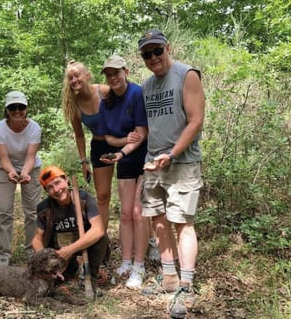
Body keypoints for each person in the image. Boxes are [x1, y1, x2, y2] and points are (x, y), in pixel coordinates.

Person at [138, 29, 205, 318]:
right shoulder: (145, 86)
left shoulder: (187, 75)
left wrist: (172, 154)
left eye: (157, 51)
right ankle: (168, 279)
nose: (153, 58)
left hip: (182, 162)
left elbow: (196, 121)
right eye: (146, 54)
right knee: (159, 220)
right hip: (154, 163)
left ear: (167, 48)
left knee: (183, 223)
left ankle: (186, 284)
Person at [97, 55, 150, 288]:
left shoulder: (137, 93)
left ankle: (140, 265)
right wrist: (120, 146)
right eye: (108, 74)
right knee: (126, 213)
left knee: (139, 213)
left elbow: (142, 133)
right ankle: (126, 261)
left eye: (116, 72)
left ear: (125, 71)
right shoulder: (106, 101)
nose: (113, 77)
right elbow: (106, 137)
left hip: (145, 158)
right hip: (124, 158)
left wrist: (121, 152)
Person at [32, 166, 107, 295]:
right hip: (59, 253)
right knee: (52, 283)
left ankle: (91, 277)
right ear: (46, 191)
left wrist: (70, 250)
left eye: (57, 183)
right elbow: (37, 239)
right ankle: (69, 273)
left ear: (66, 179)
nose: (56, 190)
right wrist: (44, 258)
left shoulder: (83, 198)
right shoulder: (44, 208)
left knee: (101, 238)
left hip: (82, 248)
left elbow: (98, 229)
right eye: (50, 187)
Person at [0, 91, 42, 265]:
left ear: (26, 108)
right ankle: (4, 256)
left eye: (21, 107)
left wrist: (25, 173)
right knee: (4, 212)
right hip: (4, 168)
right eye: (13, 107)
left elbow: (30, 157)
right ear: (7, 110)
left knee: (33, 212)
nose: (17, 111)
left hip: (31, 168)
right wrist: (11, 172)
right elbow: (3, 158)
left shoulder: (35, 128)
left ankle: (31, 250)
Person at [62, 61, 114, 230]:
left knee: (135, 195)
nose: (74, 80)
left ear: (88, 75)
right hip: (100, 145)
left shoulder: (105, 91)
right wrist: (84, 161)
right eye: (71, 77)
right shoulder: (74, 105)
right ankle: (102, 239)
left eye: (77, 75)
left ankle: (149, 239)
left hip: (124, 142)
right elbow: (79, 135)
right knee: (102, 195)